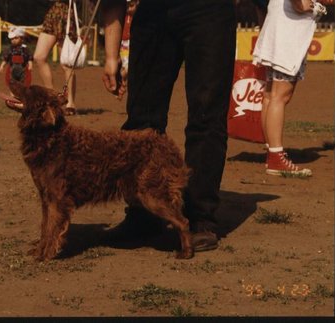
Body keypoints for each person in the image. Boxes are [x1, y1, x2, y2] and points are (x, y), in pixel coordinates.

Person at [100, 0, 237, 251]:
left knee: (206, 116)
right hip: (152, 13)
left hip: (210, 11)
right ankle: (143, 214)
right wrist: (111, 56)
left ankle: (199, 218)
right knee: (142, 119)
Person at [252, 0, 326, 176]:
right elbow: (300, 5)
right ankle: (276, 158)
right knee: (280, 96)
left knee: (270, 95)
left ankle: (273, 152)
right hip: (289, 31)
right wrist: (311, 6)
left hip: (278, 27)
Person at [33, 0, 79, 115]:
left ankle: (71, 103)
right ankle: (51, 98)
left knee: (67, 63)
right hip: (53, 13)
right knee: (39, 56)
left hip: (66, 14)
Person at [0, 26, 33, 92]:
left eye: (16, 38)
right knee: (12, 83)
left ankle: (22, 95)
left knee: (23, 82)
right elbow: (6, 58)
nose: (13, 40)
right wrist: (2, 65)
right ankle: (12, 95)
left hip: (22, 69)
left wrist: (30, 64)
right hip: (12, 69)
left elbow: (29, 57)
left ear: (22, 38)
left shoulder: (25, 49)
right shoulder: (9, 49)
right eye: (12, 39)